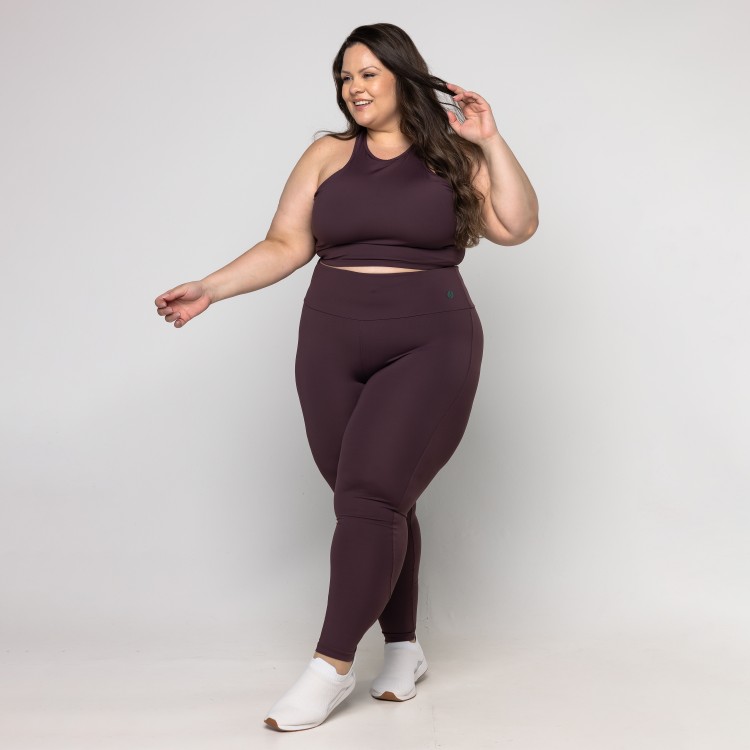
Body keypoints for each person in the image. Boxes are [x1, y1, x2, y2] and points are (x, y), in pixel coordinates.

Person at [154, 22, 538, 732]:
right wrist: (211, 287)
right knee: (376, 499)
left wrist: (490, 139)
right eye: (344, 77)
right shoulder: (327, 154)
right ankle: (404, 647)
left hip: (430, 341)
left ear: (403, 76)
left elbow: (516, 226)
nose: (354, 88)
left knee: (369, 495)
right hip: (329, 343)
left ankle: (329, 667)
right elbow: (285, 243)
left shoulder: (453, 154)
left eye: (368, 73)